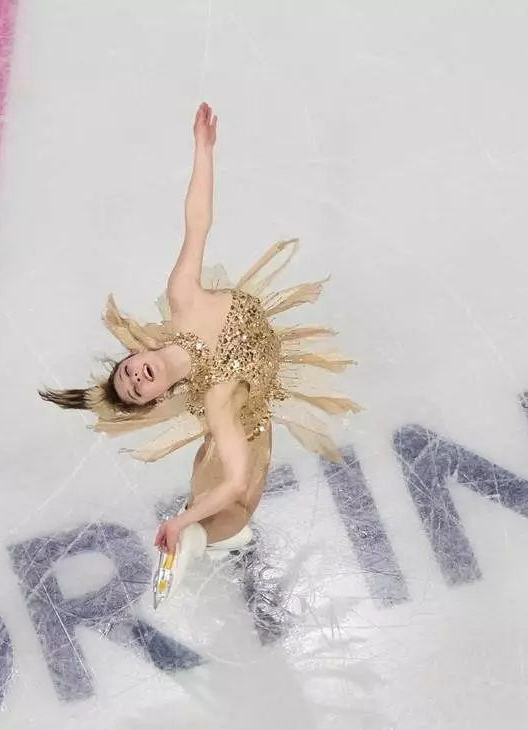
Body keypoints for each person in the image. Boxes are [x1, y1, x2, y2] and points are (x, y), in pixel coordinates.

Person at [39, 102, 360, 605]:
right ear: (159, 396)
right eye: (137, 390)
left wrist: (203, 150)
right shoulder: (215, 397)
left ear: (132, 355)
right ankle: (199, 536)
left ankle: (205, 534)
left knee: (223, 511)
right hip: (248, 418)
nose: (136, 378)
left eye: (126, 373)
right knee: (233, 505)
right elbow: (232, 479)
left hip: (251, 358)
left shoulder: (183, 300)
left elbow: (197, 223)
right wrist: (182, 520)